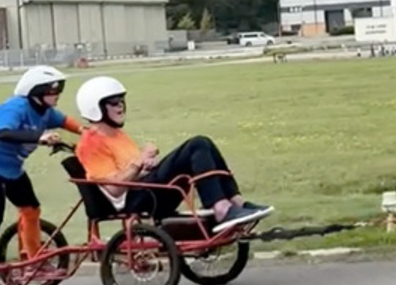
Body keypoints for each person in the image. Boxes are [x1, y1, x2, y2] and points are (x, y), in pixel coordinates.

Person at [71, 75, 272, 235]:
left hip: (147, 190)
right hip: (136, 199)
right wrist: (140, 160)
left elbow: (132, 171)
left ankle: (236, 202)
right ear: (96, 107)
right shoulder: (90, 143)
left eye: (122, 100)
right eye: (114, 102)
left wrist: (147, 164)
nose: (121, 106)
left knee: (205, 145)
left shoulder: (118, 135)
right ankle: (221, 208)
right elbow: (114, 189)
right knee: (197, 144)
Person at [0, 65, 82, 264]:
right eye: (53, 91)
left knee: (31, 209)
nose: (58, 95)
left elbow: (68, 123)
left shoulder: (46, 112)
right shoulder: (16, 108)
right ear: (36, 92)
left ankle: (32, 258)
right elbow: (4, 133)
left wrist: (89, 133)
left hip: (11, 167)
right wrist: (40, 137)